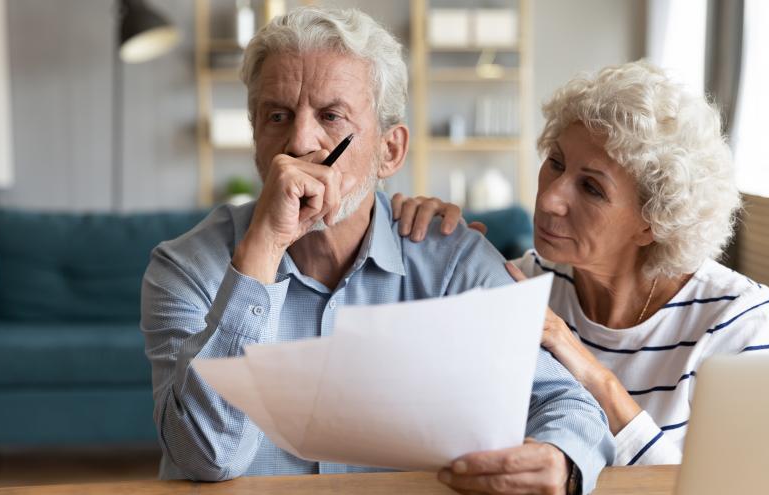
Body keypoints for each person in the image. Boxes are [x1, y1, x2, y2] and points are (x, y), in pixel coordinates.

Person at [140, 7, 614, 494]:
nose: (300, 141)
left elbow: (567, 404)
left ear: (390, 150)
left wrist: (558, 459)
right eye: (277, 116)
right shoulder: (185, 269)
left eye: (331, 116)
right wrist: (263, 248)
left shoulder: (453, 263)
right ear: (257, 136)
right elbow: (207, 458)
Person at [392, 60, 769, 466]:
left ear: (652, 222)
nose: (548, 199)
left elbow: (726, 487)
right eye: (556, 163)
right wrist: (426, 248)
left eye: (591, 188)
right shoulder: (527, 280)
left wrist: (590, 371)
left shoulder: (735, 318)